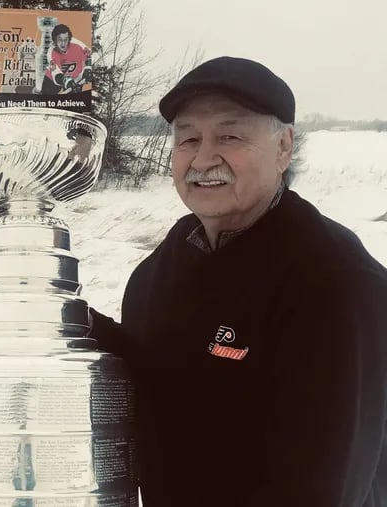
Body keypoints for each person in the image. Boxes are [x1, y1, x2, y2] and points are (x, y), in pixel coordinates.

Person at [90, 56, 387, 506]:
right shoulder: (161, 268)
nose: (204, 158)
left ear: (284, 147)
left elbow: (323, 489)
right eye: (188, 138)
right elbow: (157, 377)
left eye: (230, 135)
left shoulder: (334, 282)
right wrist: (62, 318)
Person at [41, 24, 92, 95]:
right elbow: (56, 73)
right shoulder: (51, 52)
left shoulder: (77, 44)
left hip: (75, 78)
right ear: (54, 40)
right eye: (59, 40)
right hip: (53, 80)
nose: (63, 44)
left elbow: (89, 54)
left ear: (69, 38)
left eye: (65, 40)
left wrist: (88, 68)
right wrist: (65, 80)